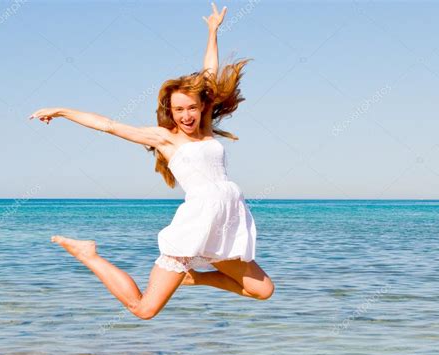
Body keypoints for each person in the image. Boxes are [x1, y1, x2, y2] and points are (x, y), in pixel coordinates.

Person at [28, 3, 275, 320]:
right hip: (196, 223)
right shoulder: (165, 138)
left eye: (191, 108)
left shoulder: (207, 129)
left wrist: (213, 31)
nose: (185, 115)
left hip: (225, 222)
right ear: (170, 112)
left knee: (263, 290)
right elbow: (108, 125)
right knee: (144, 309)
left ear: (201, 107)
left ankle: (194, 277)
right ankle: (88, 254)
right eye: (178, 110)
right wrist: (62, 111)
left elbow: (209, 76)